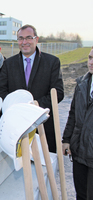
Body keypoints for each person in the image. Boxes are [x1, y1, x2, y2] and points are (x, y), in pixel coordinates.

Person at [0, 24, 64, 153]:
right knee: (19, 163)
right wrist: (15, 107)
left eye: (29, 38)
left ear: (36, 40)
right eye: (20, 38)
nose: (24, 42)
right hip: (16, 124)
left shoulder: (52, 62)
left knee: (43, 165)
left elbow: (58, 93)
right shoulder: (8, 64)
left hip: (42, 124)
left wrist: (32, 107)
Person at [62, 47, 93, 200]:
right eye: (90, 57)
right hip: (79, 151)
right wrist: (66, 140)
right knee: (80, 194)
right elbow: (73, 113)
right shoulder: (82, 84)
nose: (91, 62)